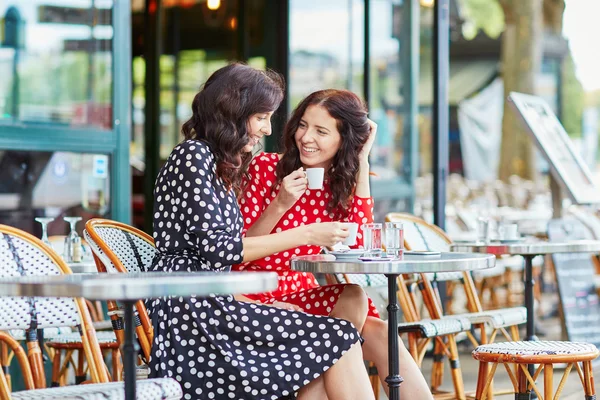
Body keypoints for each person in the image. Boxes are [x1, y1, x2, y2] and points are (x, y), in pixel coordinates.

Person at [145, 65, 376, 400]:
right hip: (189, 311)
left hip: (212, 298)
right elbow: (219, 252)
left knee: (330, 341)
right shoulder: (193, 156)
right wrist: (307, 234)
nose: (268, 128)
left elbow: (218, 257)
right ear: (233, 112)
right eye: (262, 117)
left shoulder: (216, 163)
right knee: (335, 338)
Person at [235, 89, 433, 399]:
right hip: (251, 291)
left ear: (344, 139)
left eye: (321, 131)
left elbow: (358, 245)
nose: (306, 137)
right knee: (352, 315)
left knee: (375, 325)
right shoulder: (265, 169)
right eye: (302, 125)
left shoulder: (339, 185)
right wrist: (281, 203)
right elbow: (241, 250)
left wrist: (362, 161)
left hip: (300, 291)